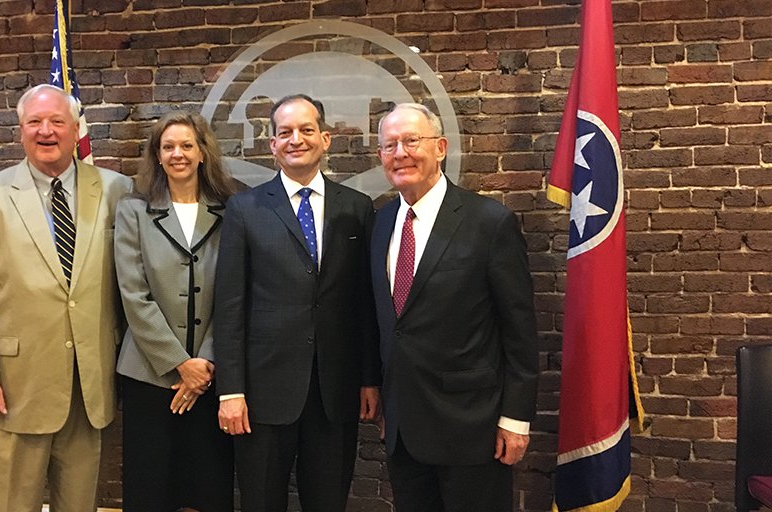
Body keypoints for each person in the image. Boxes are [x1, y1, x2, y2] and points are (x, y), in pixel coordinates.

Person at [0, 83, 131, 512]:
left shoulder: (116, 190)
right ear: (20, 130)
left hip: (90, 386)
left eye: (56, 122)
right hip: (14, 387)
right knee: (14, 504)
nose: (45, 131)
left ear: (75, 129)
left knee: (80, 504)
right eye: (35, 122)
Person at [214, 94, 381, 512]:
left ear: (325, 139)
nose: (296, 140)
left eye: (306, 130)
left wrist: (369, 378)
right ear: (271, 144)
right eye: (285, 132)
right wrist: (230, 390)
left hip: (335, 391)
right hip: (262, 394)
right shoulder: (244, 208)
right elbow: (230, 305)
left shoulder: (357, 209)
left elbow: (365, 305)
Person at [370, 103, 539, 511]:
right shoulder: (381, 221)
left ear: (441, 147)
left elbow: (519, 331)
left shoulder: (489, 222)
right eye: (389, 144)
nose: (400, 153)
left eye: (412, 141)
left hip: (473, 427)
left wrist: (515, 420)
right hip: (404, 428)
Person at [114, 110, 237, 512]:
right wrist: (179, 364)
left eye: (187, 145)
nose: (178, 154)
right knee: (150, 489)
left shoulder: (232, 210)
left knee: (208, 487)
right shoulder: (133, 211)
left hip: (211, 375)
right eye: (168, 147)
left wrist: (204, 363)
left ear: (203, 152)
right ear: (157, 155)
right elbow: (134, 295)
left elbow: (235, 295)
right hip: (150, 375)